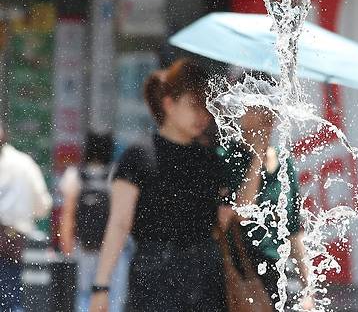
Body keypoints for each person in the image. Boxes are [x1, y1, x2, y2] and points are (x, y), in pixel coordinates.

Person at [89, 58, 227, 312]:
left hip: (206, 277)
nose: (203, 116)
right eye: (194, 106)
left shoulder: (210, 158)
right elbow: (119, 223)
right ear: (169, 104)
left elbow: (221, 221)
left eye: (207, 108)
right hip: (154, 276)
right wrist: (101, 286)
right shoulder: (139, 155)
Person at [217, 74, 313, 311]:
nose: (260, 111)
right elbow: (243, 210)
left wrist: (308, 287)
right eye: (251, 103)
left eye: (266, 103)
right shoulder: (227, 156)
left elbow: (293, 229)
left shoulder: (284, 160)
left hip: (280, 273)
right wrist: (259, 151)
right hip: (244, 269)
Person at [59, 133, 131, 312]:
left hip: (84, 248)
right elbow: (122, 215)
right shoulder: (115, 174)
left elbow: (68, 212)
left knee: (84, 296)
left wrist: (66, 243)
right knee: (114, 300)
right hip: (113, 249)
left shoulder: (75, 174)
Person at [0, 122, 52, 310]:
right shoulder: (24, 164)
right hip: (13, 242)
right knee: (11, 297)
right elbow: (43, 206)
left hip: (9, 243)